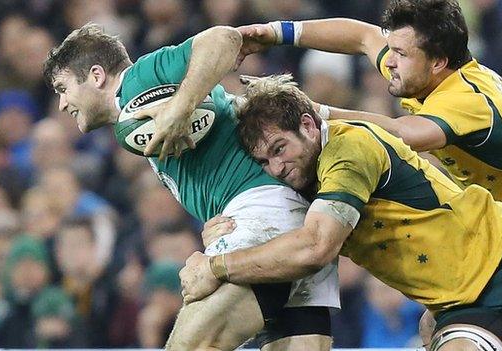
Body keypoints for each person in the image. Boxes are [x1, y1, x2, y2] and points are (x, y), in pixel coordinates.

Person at [235, 1, 502, 345]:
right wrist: (275, 32)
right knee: (435, 329)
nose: (389, 60)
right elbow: (361, 36)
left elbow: (399, 134)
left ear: (438, 62)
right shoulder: (427, 71)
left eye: (400, 53)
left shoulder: (465, 100)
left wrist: (314, 111)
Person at [179, 74, 502, 351]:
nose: (276, 169)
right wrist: (228, 232)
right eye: (264, 162)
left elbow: (316, 247)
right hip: (461, 306)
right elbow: (284, 238)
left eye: (280, 149)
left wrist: (217, 266)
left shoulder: (349, 148)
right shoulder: (303, 184)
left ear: (308, 124)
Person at [43, 24, 339, 350]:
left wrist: (180, 108)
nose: (61, 104)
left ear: (97, 75)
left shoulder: (139, 80)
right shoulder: (141, 110)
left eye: (62, 88)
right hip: (282, 221)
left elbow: (225, 38)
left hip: (262, 217)